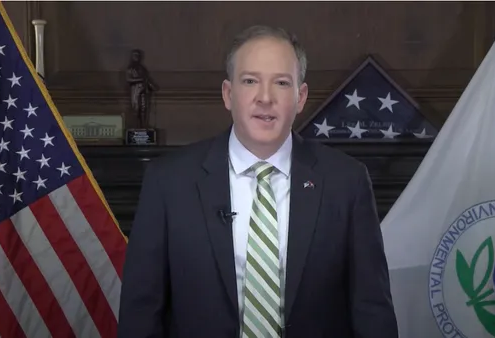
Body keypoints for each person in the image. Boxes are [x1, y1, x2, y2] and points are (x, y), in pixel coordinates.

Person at [118, 25, 398, 338]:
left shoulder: (347, 182)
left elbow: (373, 312)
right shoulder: (169, 182)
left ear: (300, 97)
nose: (265, 98)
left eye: (281, 83)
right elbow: (140, 313)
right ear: (228, 94)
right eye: (250, 81)